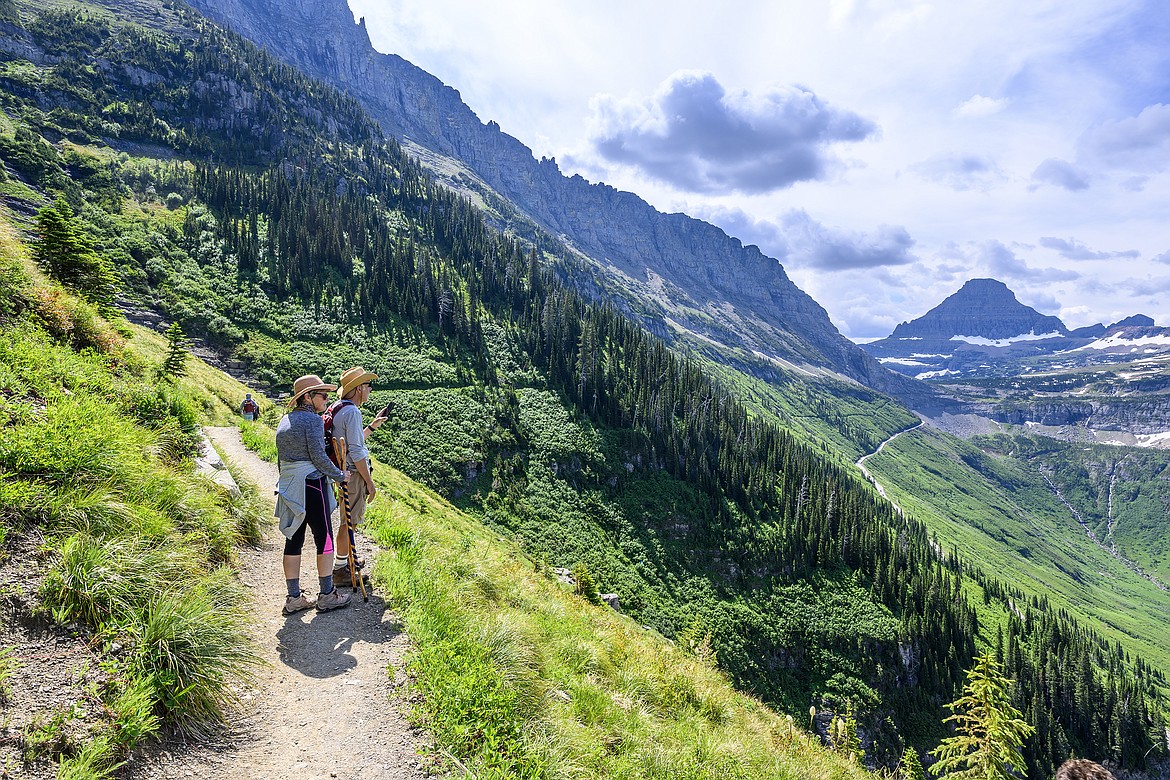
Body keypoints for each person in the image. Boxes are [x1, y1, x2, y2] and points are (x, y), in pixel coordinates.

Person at [274, 375, 352, 614]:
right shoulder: (313, 421)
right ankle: (327, 594)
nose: (327, 401)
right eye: (322, 395)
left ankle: (294, 597)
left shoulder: (284, 421)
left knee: (294, 539)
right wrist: (340, 475)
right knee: (324, 538)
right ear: (307, 397)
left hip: (290, 486)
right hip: (312, 485)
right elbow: (318, 457)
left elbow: (281, 459)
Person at [329, 366, 389, 584]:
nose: (370, 390)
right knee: (349, 522)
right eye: (367, 386)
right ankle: (340, 569)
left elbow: (353, 441)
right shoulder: (353, 412)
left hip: (343, 471)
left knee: (347, 519)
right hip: (353, 474)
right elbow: (356, 451)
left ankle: (347, 560)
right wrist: (369, 482)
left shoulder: (338, 408)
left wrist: (372, 426)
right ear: (357, 389)